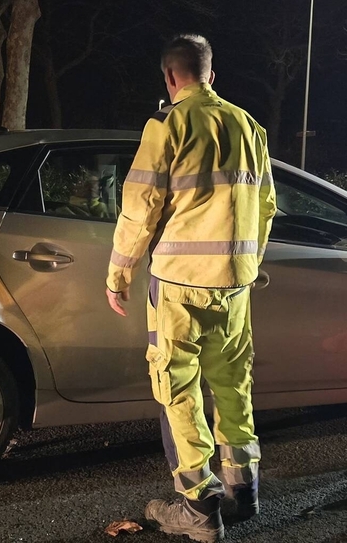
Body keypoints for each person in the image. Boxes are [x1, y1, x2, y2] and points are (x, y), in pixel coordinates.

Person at [105, 34, 277, 542]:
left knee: (179, 393)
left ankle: (198, 511)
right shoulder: (250, 127)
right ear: (210, 74)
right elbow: (266, 208)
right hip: (236, 288)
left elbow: (139, 209)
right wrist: (246, 265)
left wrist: (118, 275)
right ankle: (243, 493)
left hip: (179, 286)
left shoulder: (168, 125)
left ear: (170, 77)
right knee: (233, 387)